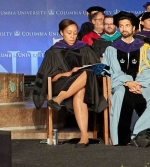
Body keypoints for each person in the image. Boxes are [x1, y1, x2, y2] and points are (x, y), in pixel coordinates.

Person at [33, 19, 106, 147]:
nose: (73, 36)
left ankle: (83, 136)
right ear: (61, 33)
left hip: (83, 86)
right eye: (69, 33)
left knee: (85, 77)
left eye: (75, 33)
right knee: (85, 76)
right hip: (61, 83)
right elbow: (50, 78)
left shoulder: (84, 49)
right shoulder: (53, 52)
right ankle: (84, 135)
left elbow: (96, 69)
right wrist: (70, 73)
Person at [102, 11, 150, 147]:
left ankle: (139, 131)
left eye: (127, 25)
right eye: (121, 26)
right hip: (121, 83)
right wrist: (128, 82)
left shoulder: (144, 47)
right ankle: (120, 138)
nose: (124, 29)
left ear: (134, 28)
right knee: (119, 94)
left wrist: (138, 83)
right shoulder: (112, 49)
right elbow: (111, 71)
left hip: (142, 83)